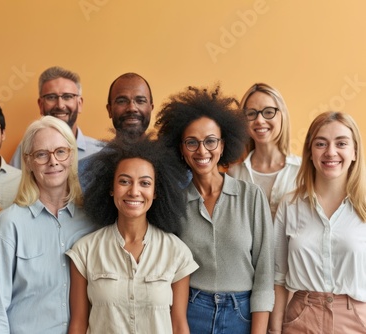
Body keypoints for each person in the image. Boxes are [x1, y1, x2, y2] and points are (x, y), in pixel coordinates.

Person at [155, 86, 274, 334]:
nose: (202, 151)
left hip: (241, 314)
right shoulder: (174, 203)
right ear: (180, 148)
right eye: (191, 142)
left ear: (222, 145)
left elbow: (264, 274)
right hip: (191, 311)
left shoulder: (251, 196)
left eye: (210, 141)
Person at [67, 138, 198, 334]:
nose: (134, 191)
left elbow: (179, 325)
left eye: (145, 183)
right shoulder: (84, 251)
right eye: (124, 181)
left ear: (155, 192)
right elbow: (78, 324)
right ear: (111, 188)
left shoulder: (177, 252)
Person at [0, 116, 95, 334]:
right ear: (28, 161)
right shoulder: (9, 223)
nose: (53, 161)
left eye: (60, 151)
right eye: (42, 154)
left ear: (71, 156)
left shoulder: (92, 220)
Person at [269, 111, 366, 334]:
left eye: (341, 143)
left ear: (354, 152)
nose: (330, 152)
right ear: (310, 153)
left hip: (357, 320)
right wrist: (274, 331)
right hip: (301, 318)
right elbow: (278, 278)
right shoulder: (290, 205)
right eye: (321, 144)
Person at [228, 83, 301, 219]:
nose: (260, 121)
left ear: (282, 116)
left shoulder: (302, 171)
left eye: (268, 112)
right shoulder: (234, 173)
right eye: (251, 114)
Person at [10, 66, 102, 168]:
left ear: (79, 104)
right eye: (51, 97)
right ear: (41, 105)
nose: (60, 105)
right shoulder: (25, 150)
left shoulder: (100, 152)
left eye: (67, 96)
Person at [79, 72, 154, 191]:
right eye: (122, 101)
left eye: (140, 101)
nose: (132, 108)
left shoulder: (175, 166)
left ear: (151, 108)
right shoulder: (84, 171)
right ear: (109, 110)